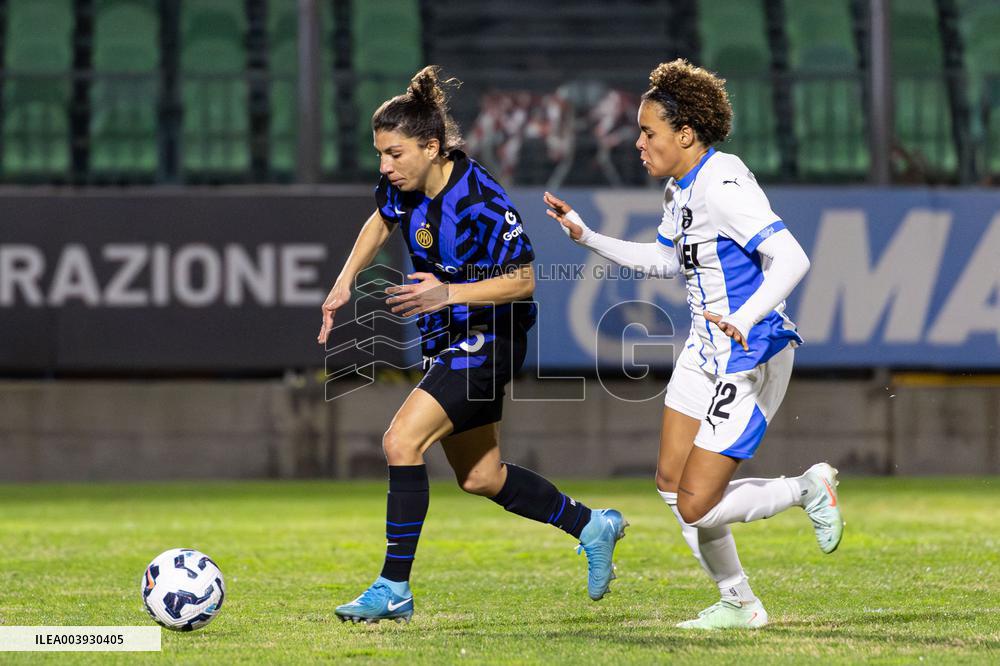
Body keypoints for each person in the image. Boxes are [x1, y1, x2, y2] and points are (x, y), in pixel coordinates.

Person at [318, 66, 627, 625]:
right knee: (481, 477)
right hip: (449, 342)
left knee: (400, 441)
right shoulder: (400, 186)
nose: (384, 167)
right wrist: (344, 280)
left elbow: (525, 278)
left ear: (431, 146)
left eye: (394, 154)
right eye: (380, 155)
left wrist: (447, 292)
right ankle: (590, 525)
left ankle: (393, 588)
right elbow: (380, 221)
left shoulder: (481, 198)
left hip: (489, 340)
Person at [544, 59, 843, 630]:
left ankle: (807, 488)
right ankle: (739, 603)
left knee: (695, 503)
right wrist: (587, 237)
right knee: (668, 483)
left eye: (647, 132)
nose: (638, 143)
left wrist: (748, 316)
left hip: (751, 351)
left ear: (685, 134)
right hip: (705, 350)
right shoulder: (682, 189)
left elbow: (793, 257)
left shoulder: (723, 186)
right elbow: (663, 260)